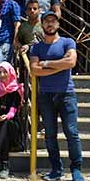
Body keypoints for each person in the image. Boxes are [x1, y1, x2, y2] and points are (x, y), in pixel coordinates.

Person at [30, 11, 84, 181]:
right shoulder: (36, 47)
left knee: (72, 133)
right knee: (50, 135)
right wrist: (61, 65)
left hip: (66, 94)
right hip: (46, 95)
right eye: (47, 21)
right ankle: (56, 170)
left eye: (53, 21)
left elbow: (71, 62)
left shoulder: (68, 42)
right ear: (42, 24)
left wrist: (46, 63)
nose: (50, 24)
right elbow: (34, 70)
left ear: (58, 24)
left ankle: (76, 170)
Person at [0, 62, 24, 179]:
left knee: (6, 123)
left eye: (5, 72)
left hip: (12, 123)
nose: (2, 75)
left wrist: (6, 116)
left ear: (10, 73)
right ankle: (4, 165)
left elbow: (13, 109)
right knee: (4, 129)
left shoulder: (16, 90)